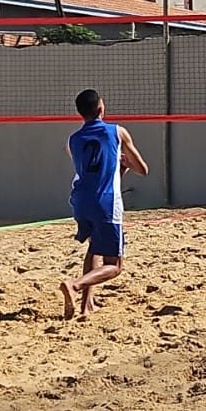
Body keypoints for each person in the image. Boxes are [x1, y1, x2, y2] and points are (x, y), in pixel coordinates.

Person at [59, 88, 149, 319]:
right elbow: (143, 170)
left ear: (80, 113)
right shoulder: (117, 132)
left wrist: (116, 166)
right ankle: (75, 285)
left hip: (80, 201)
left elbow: (93, 172)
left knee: (93, 248)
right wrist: (125, 163)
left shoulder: (72, 140)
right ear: (101, 108)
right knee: (114, 265)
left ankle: (85, 305)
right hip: (106, 202)